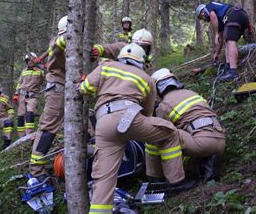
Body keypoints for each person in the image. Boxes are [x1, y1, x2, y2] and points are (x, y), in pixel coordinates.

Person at [80, 44, 194, 213]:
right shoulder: (146, 78)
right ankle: (175, 181)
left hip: (103, 124)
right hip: (130, 118)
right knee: (169, 133)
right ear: (141, 60)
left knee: (105, 178)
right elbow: (147, 112)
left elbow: (85, 88)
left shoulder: (105, 66)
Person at [148, 68, 226, 182]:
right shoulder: (192, 94)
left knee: (157, 135)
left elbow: (164, 132)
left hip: (201, 144)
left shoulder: (164, 105)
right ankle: (206, 164)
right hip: (220, 140)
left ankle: (164, 179)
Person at [28, 16, 67, 182]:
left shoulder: (66, 42)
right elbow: (58, 44)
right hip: (57, 91)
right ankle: (36, 172)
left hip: (69, 92)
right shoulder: (59, 40)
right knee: (48, 130)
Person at [195, 1, 249, 81]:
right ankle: (228, 67)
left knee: (230, 42)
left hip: (233, 15)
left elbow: (212, 16)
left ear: (202, 12)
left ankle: (233, 73)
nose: (204, 20)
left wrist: (216, 33)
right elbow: (220, 39)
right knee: (227, 41)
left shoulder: (208, 7)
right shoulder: (221, 18)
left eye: (202, 17)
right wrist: (217, 53)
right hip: (242, 15)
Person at [90, 28, 155, 74]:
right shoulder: (123, 48)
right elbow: (109, 48)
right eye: (138, 46)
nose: (141, 49)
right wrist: (97, 50)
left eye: (144, 47)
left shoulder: (148, 66)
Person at [13, 52, 45, 138]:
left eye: (31, 60)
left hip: (33, 96)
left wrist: (43, 67)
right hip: (22, 96)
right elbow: (20, 83)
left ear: (35, 60)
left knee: (30, 114)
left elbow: (45, 79)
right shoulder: (24, 71)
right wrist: (16, 94)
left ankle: (29, 136)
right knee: (20, 117)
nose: (30, 62)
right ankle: (21, 138)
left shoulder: (40, 71)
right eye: (28, 60)